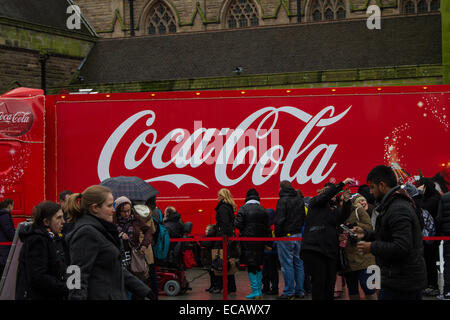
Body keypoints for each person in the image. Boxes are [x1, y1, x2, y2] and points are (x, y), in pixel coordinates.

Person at [65, 185, 154, 300]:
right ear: (95, 208)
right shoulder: (86, 233)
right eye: (109, 206)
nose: (113, 210)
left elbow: (115, 268)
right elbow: (76, 273)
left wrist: (144, 290)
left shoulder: (100, 230)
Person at [352, 165, 427, 300]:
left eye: (372, 187)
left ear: (382, 185)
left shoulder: (397, 208)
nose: (370, 192)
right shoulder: (393, 205)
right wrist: (366, 234)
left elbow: (401, 246)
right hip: (398, 279)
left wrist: (371, 247)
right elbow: (388, 234)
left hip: (402, 282)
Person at [300, 178, 354, 300]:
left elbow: (341, 217)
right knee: (319, 283)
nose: (334, 196)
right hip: (315, 249)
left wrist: (346, 201)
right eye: (331, 193)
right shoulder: (315, 202)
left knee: (330, 283)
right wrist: (341, 184)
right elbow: (325, 196)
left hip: (329, 250)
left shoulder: (332, 210)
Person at [15, 201, 69, 300]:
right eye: (58, 218)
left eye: (63, 217)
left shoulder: (54, 238)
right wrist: (66, 287)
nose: (63, 221)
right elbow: (38, 277)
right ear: (46, 222)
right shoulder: (37, 240)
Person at [235, 188, 271, 299]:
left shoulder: (243, 208)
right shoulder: (263, 210)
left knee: (251, 265)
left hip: (248, 242)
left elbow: (238, 224)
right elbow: (267, 228)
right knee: (258, 265)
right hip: (260, 242)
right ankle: (259, 291)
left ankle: (255, 291)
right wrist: (268, 242)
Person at [340, 194, 377, 300]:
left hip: (362, 254)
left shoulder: (358, 210)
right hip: (348, 256)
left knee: (368, 286)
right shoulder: (340, 213)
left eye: (345, 200)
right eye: (341, 201)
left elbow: (369, 227)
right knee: (352, 288)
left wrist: (355, 225)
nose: (343, 203)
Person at [274, 180, 306, 300]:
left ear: (281, 188)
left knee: (287, 264)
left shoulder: (282, 201)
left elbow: (280, 219)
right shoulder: (299, 199)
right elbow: (303, 216)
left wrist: (277, 235)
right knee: (298, 263)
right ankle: (300, 290)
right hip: (298, 234)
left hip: (285, 235)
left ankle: (288, 291)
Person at [115, 196, 153, 279]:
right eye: (123, 211)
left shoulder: (136, 220)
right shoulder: (113, 221)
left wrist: (144, 244)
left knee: (135, 279)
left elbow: (148, 231)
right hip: (119, 256)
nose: (127, 214)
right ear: (118, 211)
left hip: (134, 255)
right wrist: (119, 236)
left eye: (128, 211)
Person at [214, 188, 238, 294]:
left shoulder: (223, 208)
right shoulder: (229, 207)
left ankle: (225, 286)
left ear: (222, 196)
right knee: (229, 262)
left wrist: (223, 238)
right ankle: (231, 286)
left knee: (223, 262)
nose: (217, 197)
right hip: (229, 237)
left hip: (224, 238)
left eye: (219, 195)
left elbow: (224, 224)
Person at [262, 208, 279, 295]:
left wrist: (267, 246)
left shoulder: (266, 226)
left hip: (268, 252)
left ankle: (267, 287)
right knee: (272, 271)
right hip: (273, 252)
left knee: (267, 271)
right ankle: (273, 287)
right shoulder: (275, 226)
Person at [436, 191, 450, 300]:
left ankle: (447, 291)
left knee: (448, 263)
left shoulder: (444, 197)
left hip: (447, 235)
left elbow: (439, 218)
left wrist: (440, 232)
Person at [0, 198, 15, 277]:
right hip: (4, 248)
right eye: (13, 206)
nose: (13, 208)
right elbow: (9, 231)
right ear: (9, 205)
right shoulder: (5, 215)